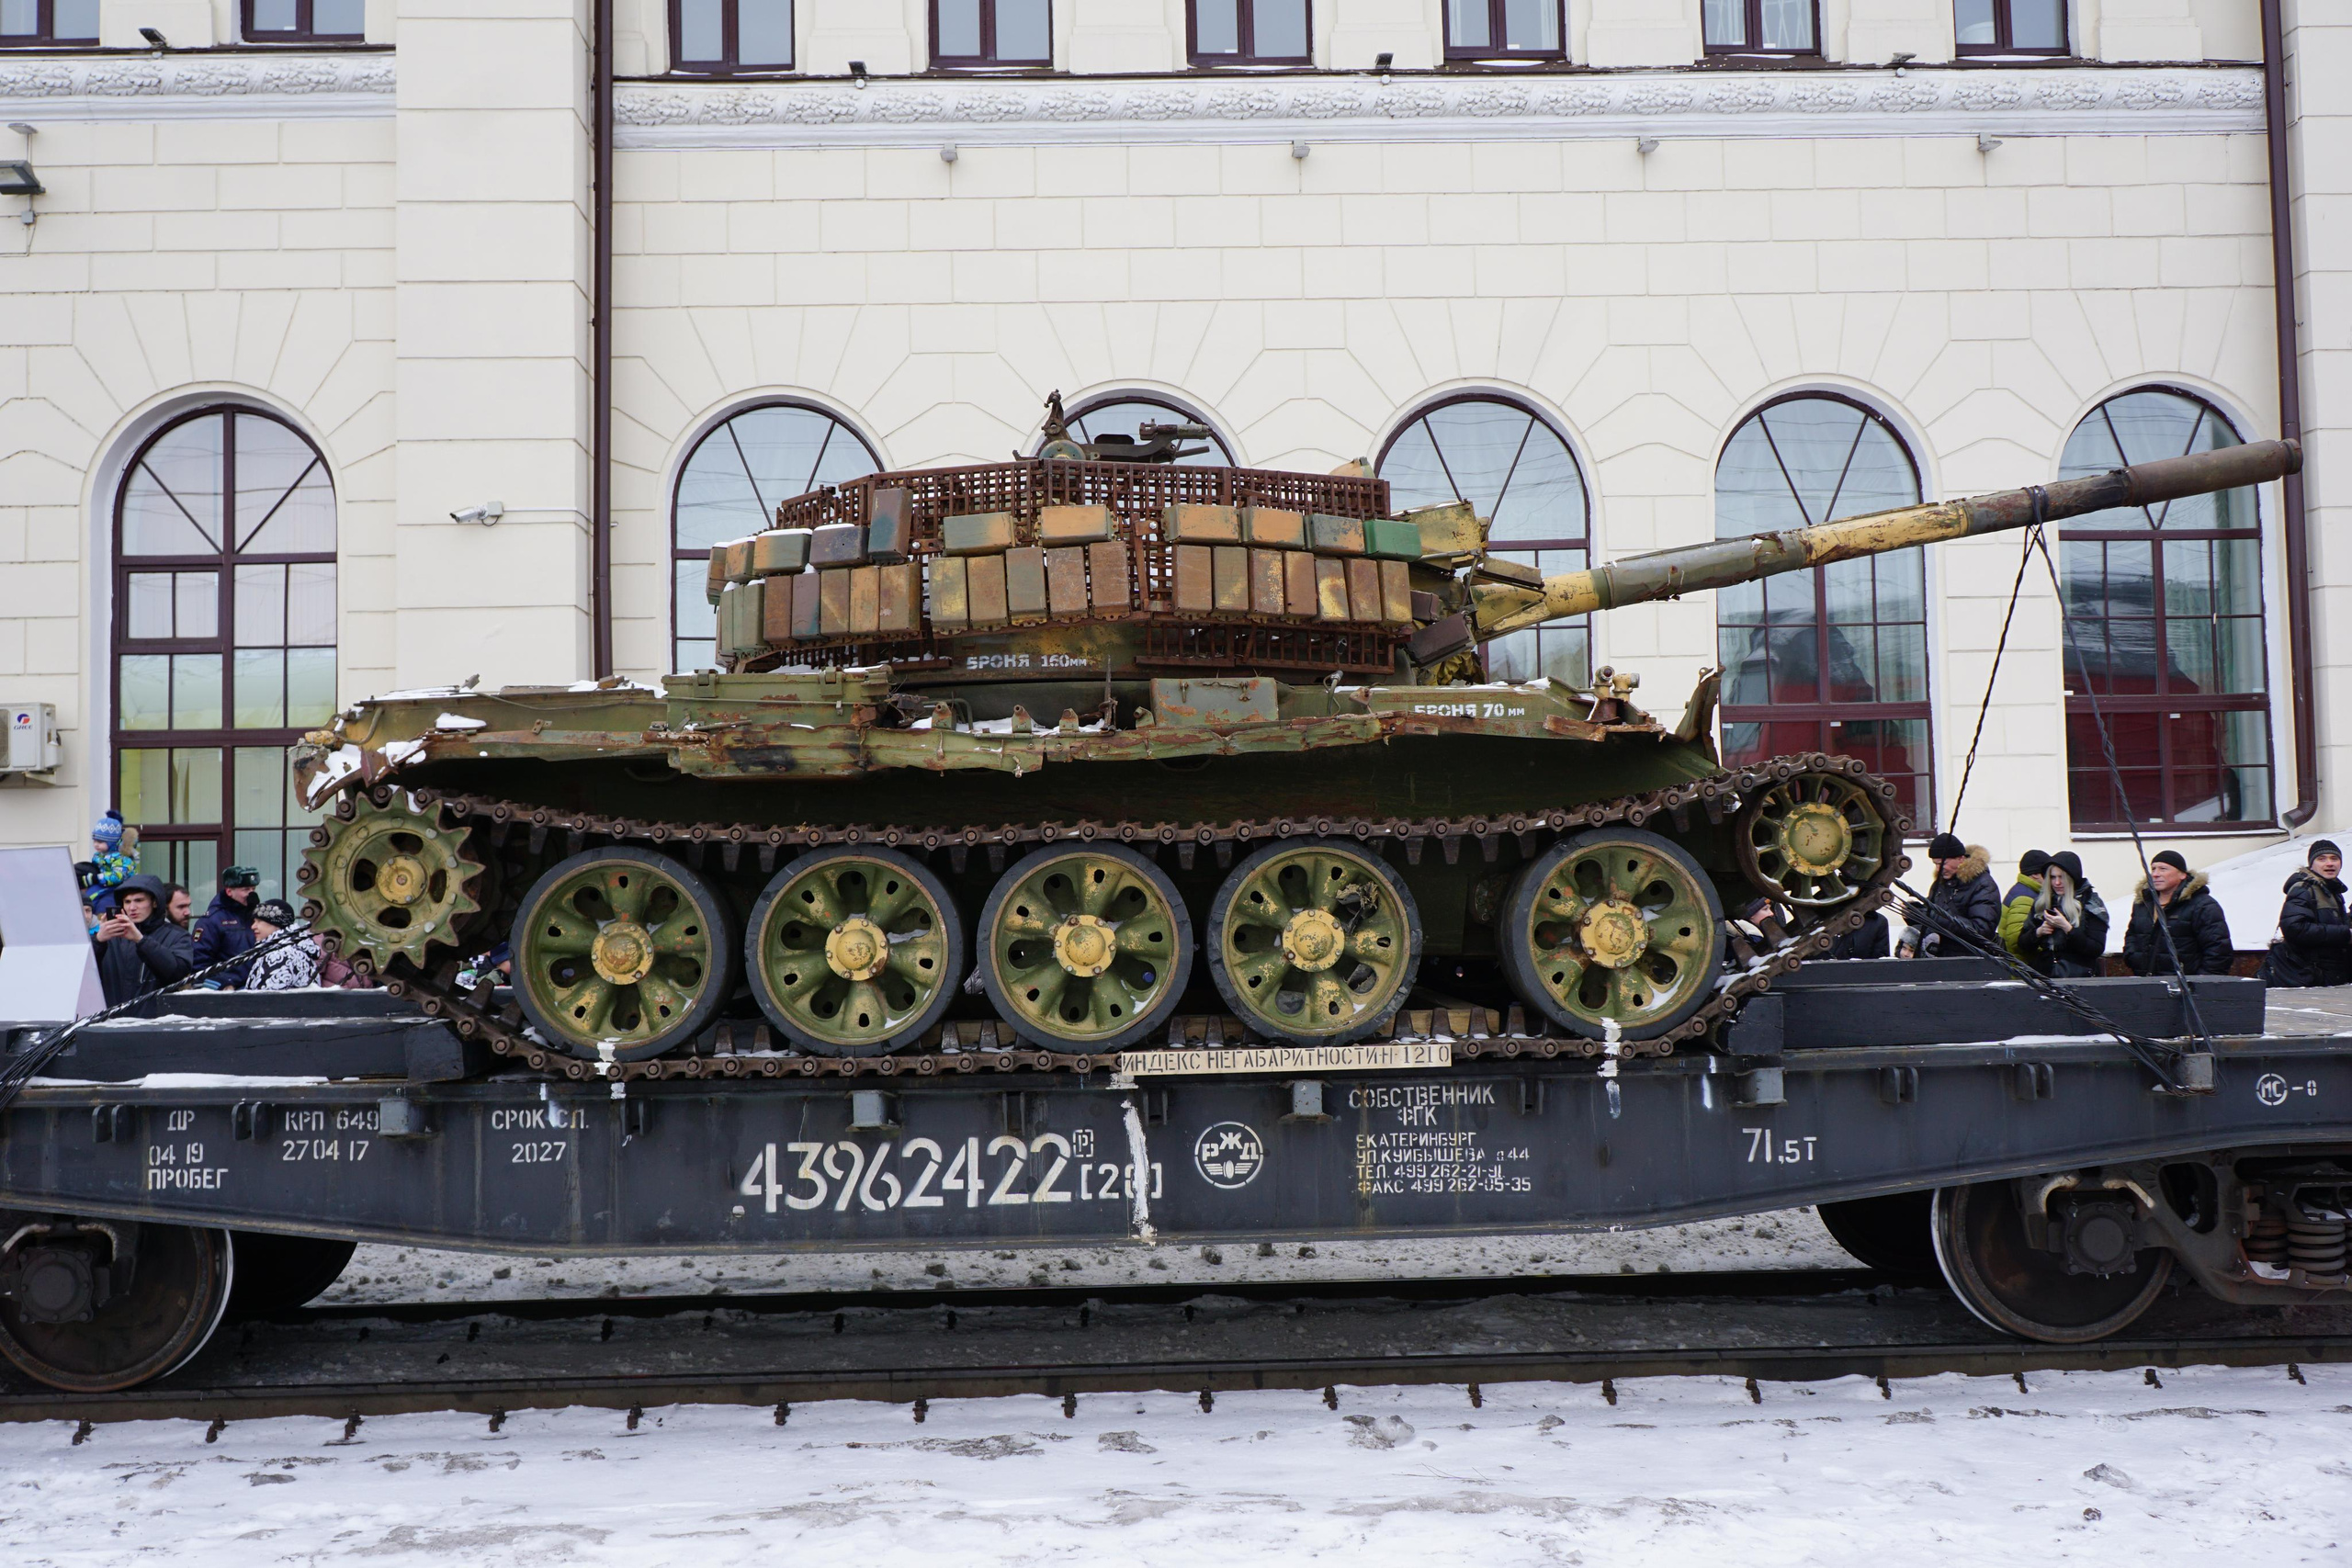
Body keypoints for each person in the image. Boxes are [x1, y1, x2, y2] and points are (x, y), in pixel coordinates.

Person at [2123, 849, 2236, 976]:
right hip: (2146, 981)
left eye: (2163, 869)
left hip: (2186, 984)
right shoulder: (2143, 903)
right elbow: (2132, 935)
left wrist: (2200, 982)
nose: (2155, 874)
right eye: (2153, 869)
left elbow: (2218, 950)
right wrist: (2132, 957)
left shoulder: (2202, 905)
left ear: (2182, 874)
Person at [90, 873, 196, 1007]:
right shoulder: (110, 937)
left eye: (139, 901)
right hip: (111, 1016)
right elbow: (80, 973)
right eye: (127, 902)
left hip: (155, 1017)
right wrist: (98, 941)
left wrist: (140, 940)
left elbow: (177, 973)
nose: (132, 908)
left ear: (155, 902)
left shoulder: (177, 935)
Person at [2261, 839, 2350, 988]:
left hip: (2324, 976)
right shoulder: (2304, 888)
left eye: (2334, 858)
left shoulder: (2332, 890)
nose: (2329, 863)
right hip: (2308, 978)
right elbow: (2294, 928)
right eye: (2322, 859)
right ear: (2312, 864)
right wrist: (2345, 933)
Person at [1898, 833, 2000, 957]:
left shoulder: (1983, 885)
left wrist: (1932, 915)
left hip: (1970, 961)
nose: (1938, 869)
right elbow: (1933, 925)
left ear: (1960, 859)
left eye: (1943, 863)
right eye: (1935, 864)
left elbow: (1981, 931)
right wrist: (1915, 915)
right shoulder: (1940, 884)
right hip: (1942, 958)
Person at [2018, 851, 2109, 978]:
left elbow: (2096, 949)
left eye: (2062, 877)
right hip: (2045, 975)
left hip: (2080, 977)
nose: (2057, 883)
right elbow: (2022, 944)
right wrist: (2039, 932)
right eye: (2053, 877)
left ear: (2072, 878)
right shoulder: (2043, 902)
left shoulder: (2090, 903)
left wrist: (2067, 928)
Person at [193, 864, 263, 987]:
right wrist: (222, 984)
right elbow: (199, 963)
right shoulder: (211, 921)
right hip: (228, 989)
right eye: (246, 890)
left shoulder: (257, 917)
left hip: (257, 986)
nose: (251, 894)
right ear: (229, 891)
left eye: (253, 889)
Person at [243, 898, 323, 991]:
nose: (253, 926)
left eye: (259, 921)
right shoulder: (292, 948)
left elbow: (267, 998)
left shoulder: (279, 956)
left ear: (277, 923)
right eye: (254, 921)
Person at [1998, 850, 2051, 958]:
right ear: (2035, 874)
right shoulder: (2025, 898)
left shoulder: (2023, 891)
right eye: (2049, 874)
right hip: (2022, 966)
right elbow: (2016, 941)